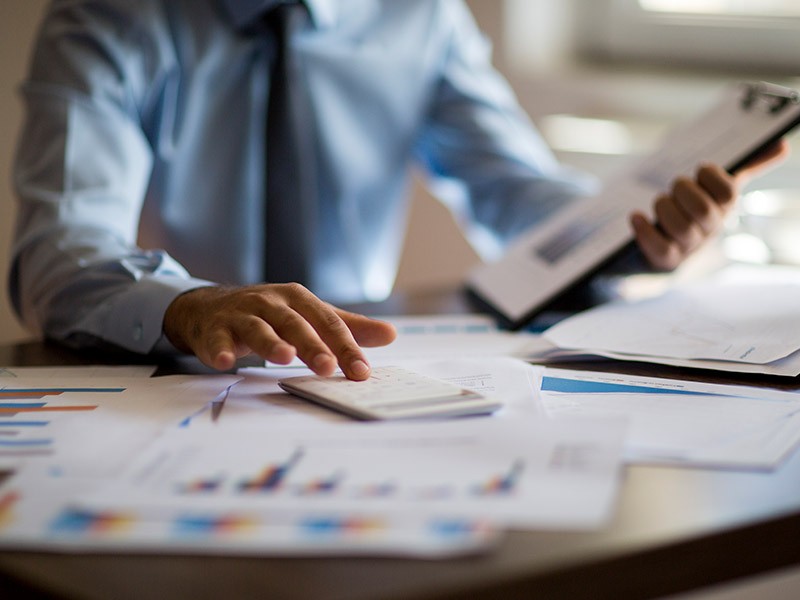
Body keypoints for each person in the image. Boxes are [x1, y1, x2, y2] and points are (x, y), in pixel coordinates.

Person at [9, 0, 788, 380]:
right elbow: (60, 251)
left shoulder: (422, 15)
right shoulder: (107, 16)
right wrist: (189, 304)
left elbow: (514, 192)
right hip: (171, 376)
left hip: (358, 377)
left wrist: (635, 233)